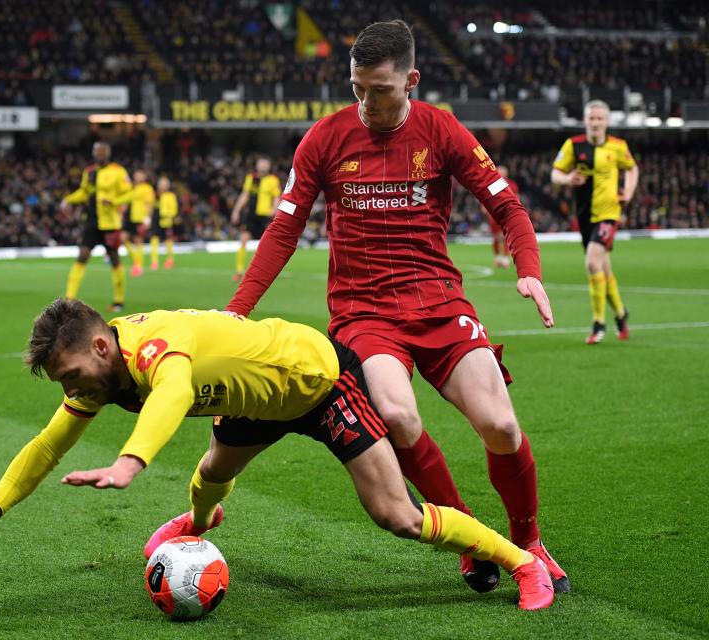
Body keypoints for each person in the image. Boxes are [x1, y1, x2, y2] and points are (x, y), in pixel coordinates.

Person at [225, 20, 569, 594]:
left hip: (438, 301)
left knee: (501, 425)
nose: (365, 102)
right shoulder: (324, 138)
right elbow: (283, 230)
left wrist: (527, 270)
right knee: (400, 415)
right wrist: (237, 310)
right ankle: (472, 537)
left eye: (379, 90)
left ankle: (529, 541)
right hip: (365, 314)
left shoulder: (441, 130)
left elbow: (508, 206)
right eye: (356, 88)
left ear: (411, 80)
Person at [0, 299, 555, 611]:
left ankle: (517, 560)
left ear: (100, 345)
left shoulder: (151, 349)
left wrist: (130, 462)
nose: (72, 392)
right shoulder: (102, 372)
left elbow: (174, 390)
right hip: (254, 402)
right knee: (210, 475)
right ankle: (198, 528)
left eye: (71, 375)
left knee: (396, 515)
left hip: (316, 382)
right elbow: (47, 444)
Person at [551, 100, 638, 344]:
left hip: (609, 214)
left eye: (600, 118)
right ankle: (621, 314)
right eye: (592, 118)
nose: (596, 122)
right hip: (585, 216)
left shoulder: (618, 146)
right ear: (585, 120)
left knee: (592, 263)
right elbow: (554, 173)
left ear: (607, 122)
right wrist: (567, 179)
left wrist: (628, 192)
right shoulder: (573, 145)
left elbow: (632, 169)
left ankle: (599, 323)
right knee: (603, 268)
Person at [61, 141, 131, 312]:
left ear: (108, 153)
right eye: (97, 151)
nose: (99, 154)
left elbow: (129, 193)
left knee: (114, 258)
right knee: (83, 255)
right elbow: (84, 192)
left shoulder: (118, 171)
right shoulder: (89, 171)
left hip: (110, 222)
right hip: (92, 221)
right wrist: (68, 200)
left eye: (102, 151)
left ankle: (119, 300)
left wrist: (114, 201)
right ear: (93, 153)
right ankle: (69, 299)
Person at [230, 156, 281, 281]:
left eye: (265, 164)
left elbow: (276, 197)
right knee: (243, 239)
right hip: (250, 215)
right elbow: (245, 195)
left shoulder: (273, 180)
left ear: (269, 167)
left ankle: (266, 271)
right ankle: (239, 270)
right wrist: (236, 210)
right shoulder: (251, 178)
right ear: (257, 165)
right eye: (261, 164)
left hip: (265, 216)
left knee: (267, 244)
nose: (263, 166)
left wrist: (274, 209)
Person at [115, 169, 155, 277]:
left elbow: (149, 204)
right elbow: (126, 202)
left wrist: (147, 219)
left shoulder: (147, 188)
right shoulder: (132, 187)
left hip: (140, 218)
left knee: (138, 241)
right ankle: (136, 262)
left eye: (140, 175)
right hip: (130, 217)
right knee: (123, 238)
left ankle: (138, 267)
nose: (138, 176)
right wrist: (121, 214)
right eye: (136, 174)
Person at [488, 166, 517, 269]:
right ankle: (498, 258)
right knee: (496, 237)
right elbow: (487, 197)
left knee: (505, 236)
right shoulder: (492, 183)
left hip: (506, 213)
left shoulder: (512, 185)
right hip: (494, 214)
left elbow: (516, 198)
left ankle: (505, 259)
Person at [149, 176, 177, 270]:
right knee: (154, 239)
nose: (162, 186)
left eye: (164, 184)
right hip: (155, 219)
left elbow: (174, 210)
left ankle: (170, 260)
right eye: (161, 184)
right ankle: (154, 261)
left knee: (168, 240)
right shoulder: (154, 194)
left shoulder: (170, 196)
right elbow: (150, 205)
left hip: (165, 220)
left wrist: (167, 215)